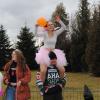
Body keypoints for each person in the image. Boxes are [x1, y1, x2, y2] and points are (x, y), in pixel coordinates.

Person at [35, 16, 67, 82]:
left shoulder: (56, 33)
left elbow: (64, 27)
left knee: (62, 70)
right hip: (45, 53)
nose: (51, 25)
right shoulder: (45, 34)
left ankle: (59, 83)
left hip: (54, 53)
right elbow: (37, 34)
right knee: (43, 71)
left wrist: (59, 21)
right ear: (47, 27)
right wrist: (36, 26)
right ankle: (42, 86)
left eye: (52, 24)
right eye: (49, 25)